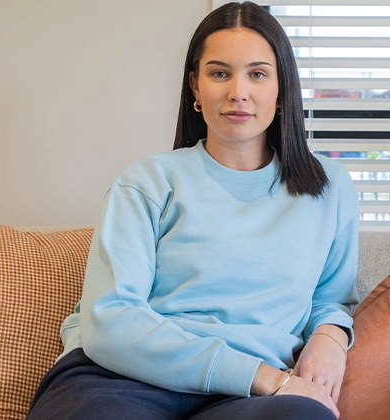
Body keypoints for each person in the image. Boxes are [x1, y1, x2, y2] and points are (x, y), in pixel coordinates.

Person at [24, 3, 358, 419]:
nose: (238, 91)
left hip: (244, 401)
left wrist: (331, 337)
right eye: (219, 73)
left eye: (257, 74)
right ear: (196, 88)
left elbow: (331, 299)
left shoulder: (329, 187)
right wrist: (268, 378)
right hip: (123, 379)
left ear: (282, 88)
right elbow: (110, 320)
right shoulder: (148, 181)